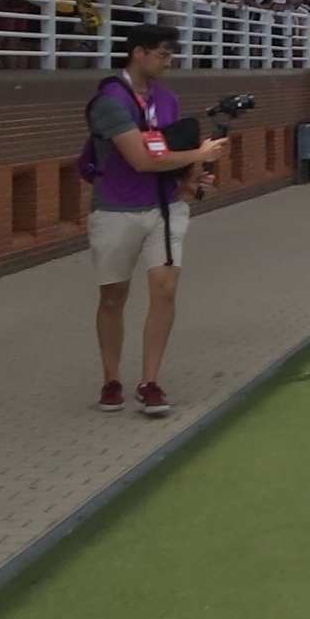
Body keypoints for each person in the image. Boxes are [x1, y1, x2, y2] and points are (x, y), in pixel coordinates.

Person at [85, 23, 229, 415]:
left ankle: (150, 381)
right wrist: (201, 154)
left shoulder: (167, 100)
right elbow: (143, 159)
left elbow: (171, 156)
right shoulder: (110, 101)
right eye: (163, 53)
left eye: (171, 54)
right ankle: (111, 379)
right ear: (139, 53)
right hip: (116, 208)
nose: (169, 61)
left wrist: (193, 180)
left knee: (165, 290)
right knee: (113, 296)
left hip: (165, 208)